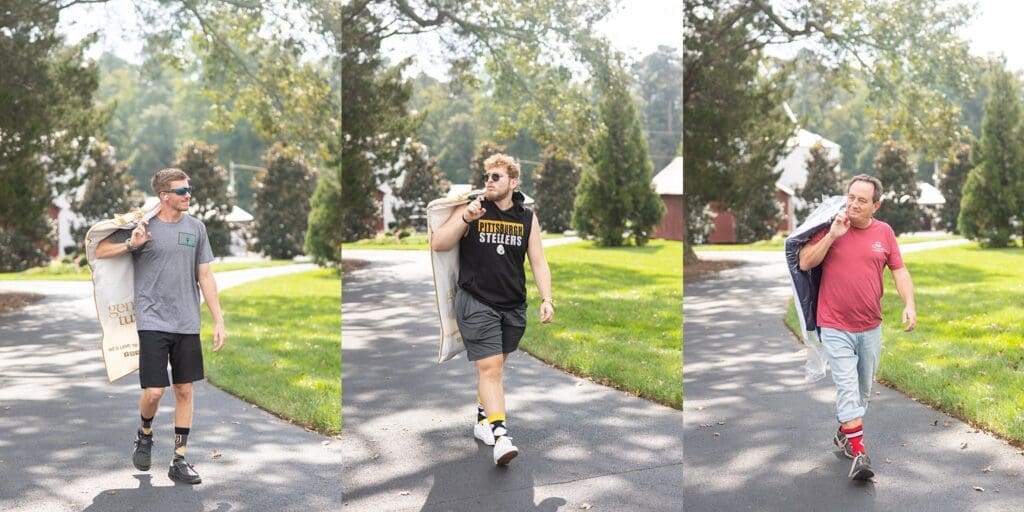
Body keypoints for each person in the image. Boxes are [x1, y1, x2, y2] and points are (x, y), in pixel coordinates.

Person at [96, 168, 227, 484]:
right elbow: (100, 250)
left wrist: (219, 319)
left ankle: (179, 460)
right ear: (164, 195)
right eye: (182, 191)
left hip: (186, 322)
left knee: (184, 389)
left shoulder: (196, 228)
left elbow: (205, 276)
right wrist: (132, 243)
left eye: (189, 189)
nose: (188, 195)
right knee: (154, 391)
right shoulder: (143, 225)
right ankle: (144, 433)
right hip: (152, 320)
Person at [430, 153, 554, 466]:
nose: (489, 181)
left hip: (512, 305)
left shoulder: (526, 217)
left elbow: (538, 260)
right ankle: (501, 437)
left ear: (513, 182)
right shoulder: (472, 207)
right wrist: (465, 219)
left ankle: (483, 420)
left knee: (496, 365)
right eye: (487, 176)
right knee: (490, 368)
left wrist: (547, 298)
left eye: (496, 176)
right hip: (475, 301)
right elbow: (438, 243)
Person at [798, 174, 917, 481]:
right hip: (834, 325)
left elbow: (899, 271)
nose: (853, 204)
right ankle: (859, 453)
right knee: (848, 389)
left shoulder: (885, 233)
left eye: (862, 200)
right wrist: (831, 236)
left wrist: (909, 304)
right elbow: (805, 263)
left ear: (875, 205)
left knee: (862, 393)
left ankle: (844, 434)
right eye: (850, 197)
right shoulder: (831, 225)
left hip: (869, 327)